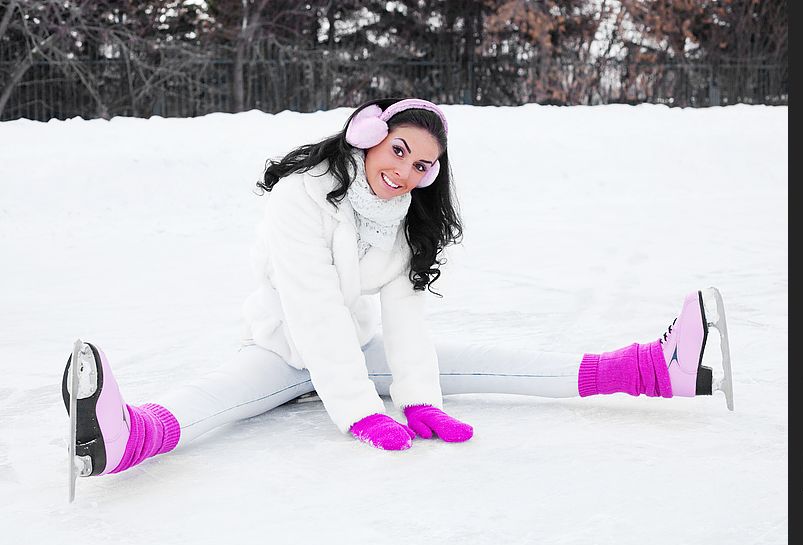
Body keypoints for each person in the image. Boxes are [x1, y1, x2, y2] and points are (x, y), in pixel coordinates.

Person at [62, 97, 733, 485]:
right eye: (398, 153)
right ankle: (123, 436)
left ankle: (653, 370)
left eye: (423, 165)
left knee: (490, 360)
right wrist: (359, 410)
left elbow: (406, 315)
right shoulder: (301, 197)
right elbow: (314, 308)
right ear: (368, 137)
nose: (406, 172)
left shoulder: (406, 219)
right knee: (212, 401)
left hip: (354, 347)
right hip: (282, 348)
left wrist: (418, 400)